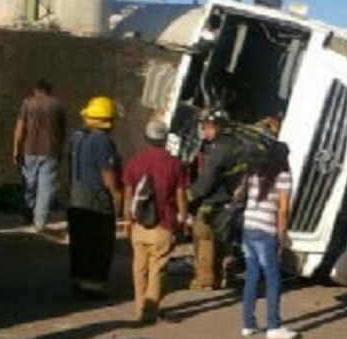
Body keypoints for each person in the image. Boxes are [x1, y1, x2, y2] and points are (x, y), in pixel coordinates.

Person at [121, 119, 187, 324]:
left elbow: (129, 193)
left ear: (146, 138)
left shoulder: (135, 161)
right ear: (166, 139)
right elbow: (180, 194)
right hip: (164, 223)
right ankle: (150, 311)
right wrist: (183, 218)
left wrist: (127, 220)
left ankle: (140, 308)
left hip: (139, 223)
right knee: (157, 268)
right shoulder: (175, 163)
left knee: (139, 267)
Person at [239, 141, 299, 339]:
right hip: (266, 230)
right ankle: (274, 326)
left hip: (248, 228)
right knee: (273, 278)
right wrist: (282, 235)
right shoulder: (283, 176)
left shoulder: (255, 173)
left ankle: (248, 324)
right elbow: (283, 209)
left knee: (252, 276)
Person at [66, 96, 122, 299]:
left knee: (80, 240)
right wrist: (117, 196)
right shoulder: (102, 141)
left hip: (77, 194)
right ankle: (94, 286)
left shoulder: (76, 137)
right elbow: (107, 173)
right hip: (96, 197)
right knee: (99, 242)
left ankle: (79, 281)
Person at [187, 109, 245, 289]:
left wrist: (188, 197)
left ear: (220, 127)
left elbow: (206, 181)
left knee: (204, 239)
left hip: (213, 201)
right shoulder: (238, 144)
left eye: (209, 127)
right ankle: (226, 276)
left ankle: (205, 280)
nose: (205, 131)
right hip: (232, 202)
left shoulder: (218, 150)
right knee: (225, 241)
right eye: (203, 127)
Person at [12, 80, 67, 232]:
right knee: (46, 186)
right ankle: (40, 222)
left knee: (29, 183)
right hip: (51, 150)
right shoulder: (57, 105)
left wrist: (16, 149)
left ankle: (27, 214)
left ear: (36, 90)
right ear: (49, 90)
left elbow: (19, 128)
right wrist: (60, 151)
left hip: (30, 150)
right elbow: (62, 133)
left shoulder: (28, 104)